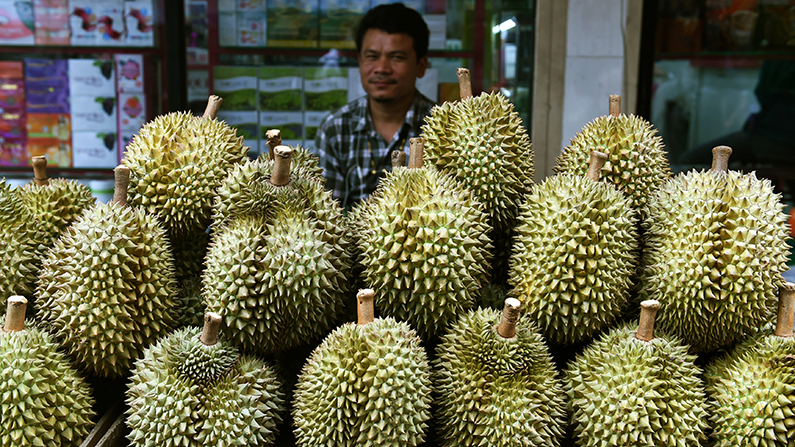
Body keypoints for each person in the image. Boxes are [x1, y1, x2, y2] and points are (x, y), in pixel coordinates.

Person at [312, 2, 435, 209]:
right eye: (372, 57)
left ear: (420, 66)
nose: (381, 68)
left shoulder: (443, 128)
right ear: (360, 62)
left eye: (397, 57)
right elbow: (326, 214)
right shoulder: (335, 128)